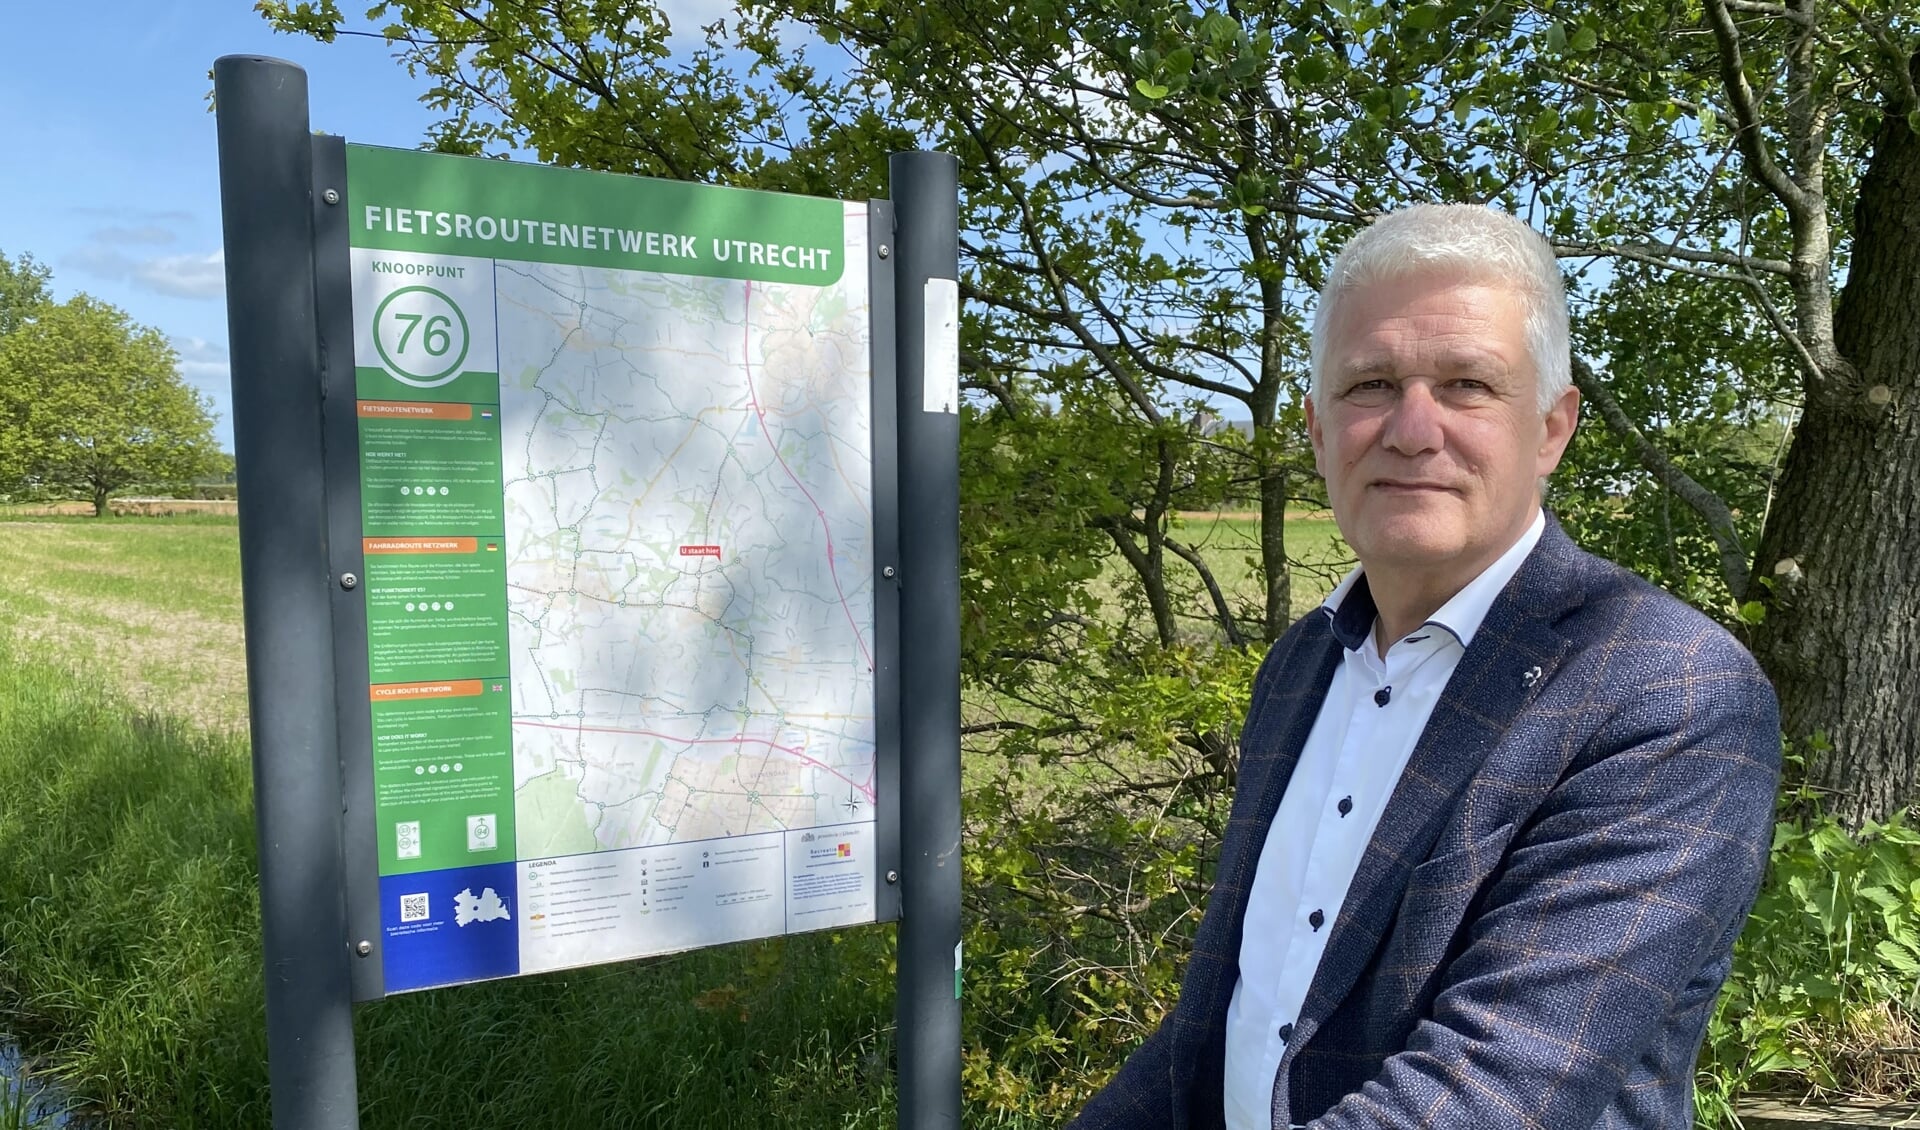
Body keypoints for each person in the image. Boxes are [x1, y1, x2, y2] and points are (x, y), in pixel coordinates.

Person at [1069, 204, 1781, 1129]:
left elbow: (1493, 1091)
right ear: (1320, 432)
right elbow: (1230, 1015)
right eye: (1369, 384)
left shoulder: (1668, 690)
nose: (1411, 428)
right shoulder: (1300, 666)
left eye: (1467, 384)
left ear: (1553, 429)